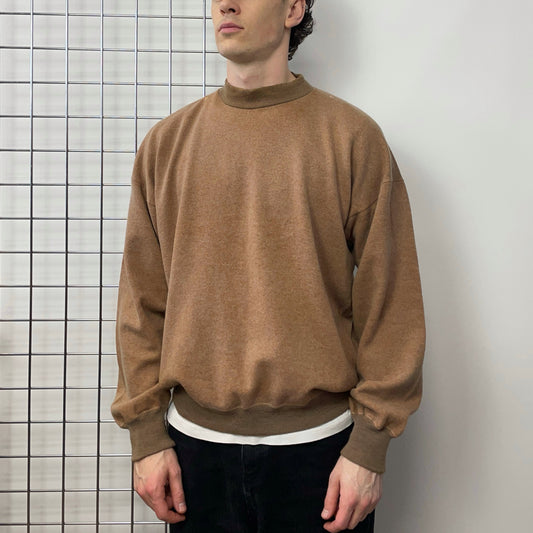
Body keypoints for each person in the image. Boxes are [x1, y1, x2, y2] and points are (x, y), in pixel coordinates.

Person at [111, 1, 425, 531]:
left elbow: (391, 301)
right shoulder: (166, 145)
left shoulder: (352, 138)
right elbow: (141, 303)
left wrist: (369, 447)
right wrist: (145, 436)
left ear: (293, 8)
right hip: (193, 459)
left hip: (323, 461)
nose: (225, 4)